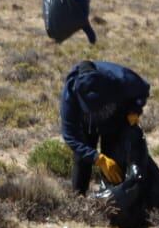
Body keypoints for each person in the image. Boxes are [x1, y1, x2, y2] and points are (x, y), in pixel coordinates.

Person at [60, 60, 149, 196]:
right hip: (86, 125)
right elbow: (70, 136)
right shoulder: (70, 96)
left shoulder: (120, 78)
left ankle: (116, 197)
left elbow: (143, 89)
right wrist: (97, 158)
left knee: (114, 160)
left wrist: (134, 110)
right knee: (82, 159)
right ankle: (78, 198)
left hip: (113, 119)